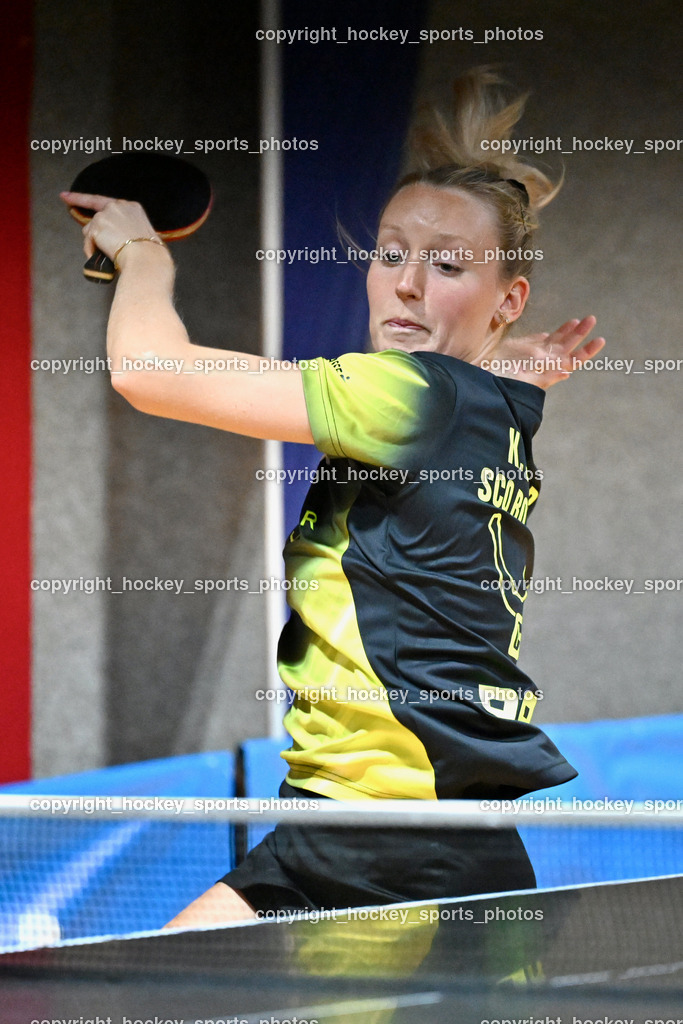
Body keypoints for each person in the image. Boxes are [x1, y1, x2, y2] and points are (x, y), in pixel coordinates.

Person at [61, 68, 604, 928]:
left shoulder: (407, 392)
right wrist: (497, 357)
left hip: (402, 841)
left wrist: (141, 252)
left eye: (448, 265)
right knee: (144, 989)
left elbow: (146, 371)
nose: (407, 284)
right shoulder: (490, 407)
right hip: (333, 819)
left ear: (508, 300)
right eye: (392, 254)